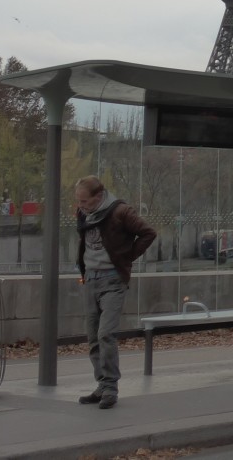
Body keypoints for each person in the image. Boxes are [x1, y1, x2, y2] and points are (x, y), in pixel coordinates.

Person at [74, 175, 157, 409]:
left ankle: (111, 387)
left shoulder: (120, 211)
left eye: (85, 202)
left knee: (105, 334)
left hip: (112, 281)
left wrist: (127, 257)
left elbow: (149, 233)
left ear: (99, 197)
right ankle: (101, 385)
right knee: (92, 337)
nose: (81, 206)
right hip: (90, 280)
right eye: (79, 202)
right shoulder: (83, 214)